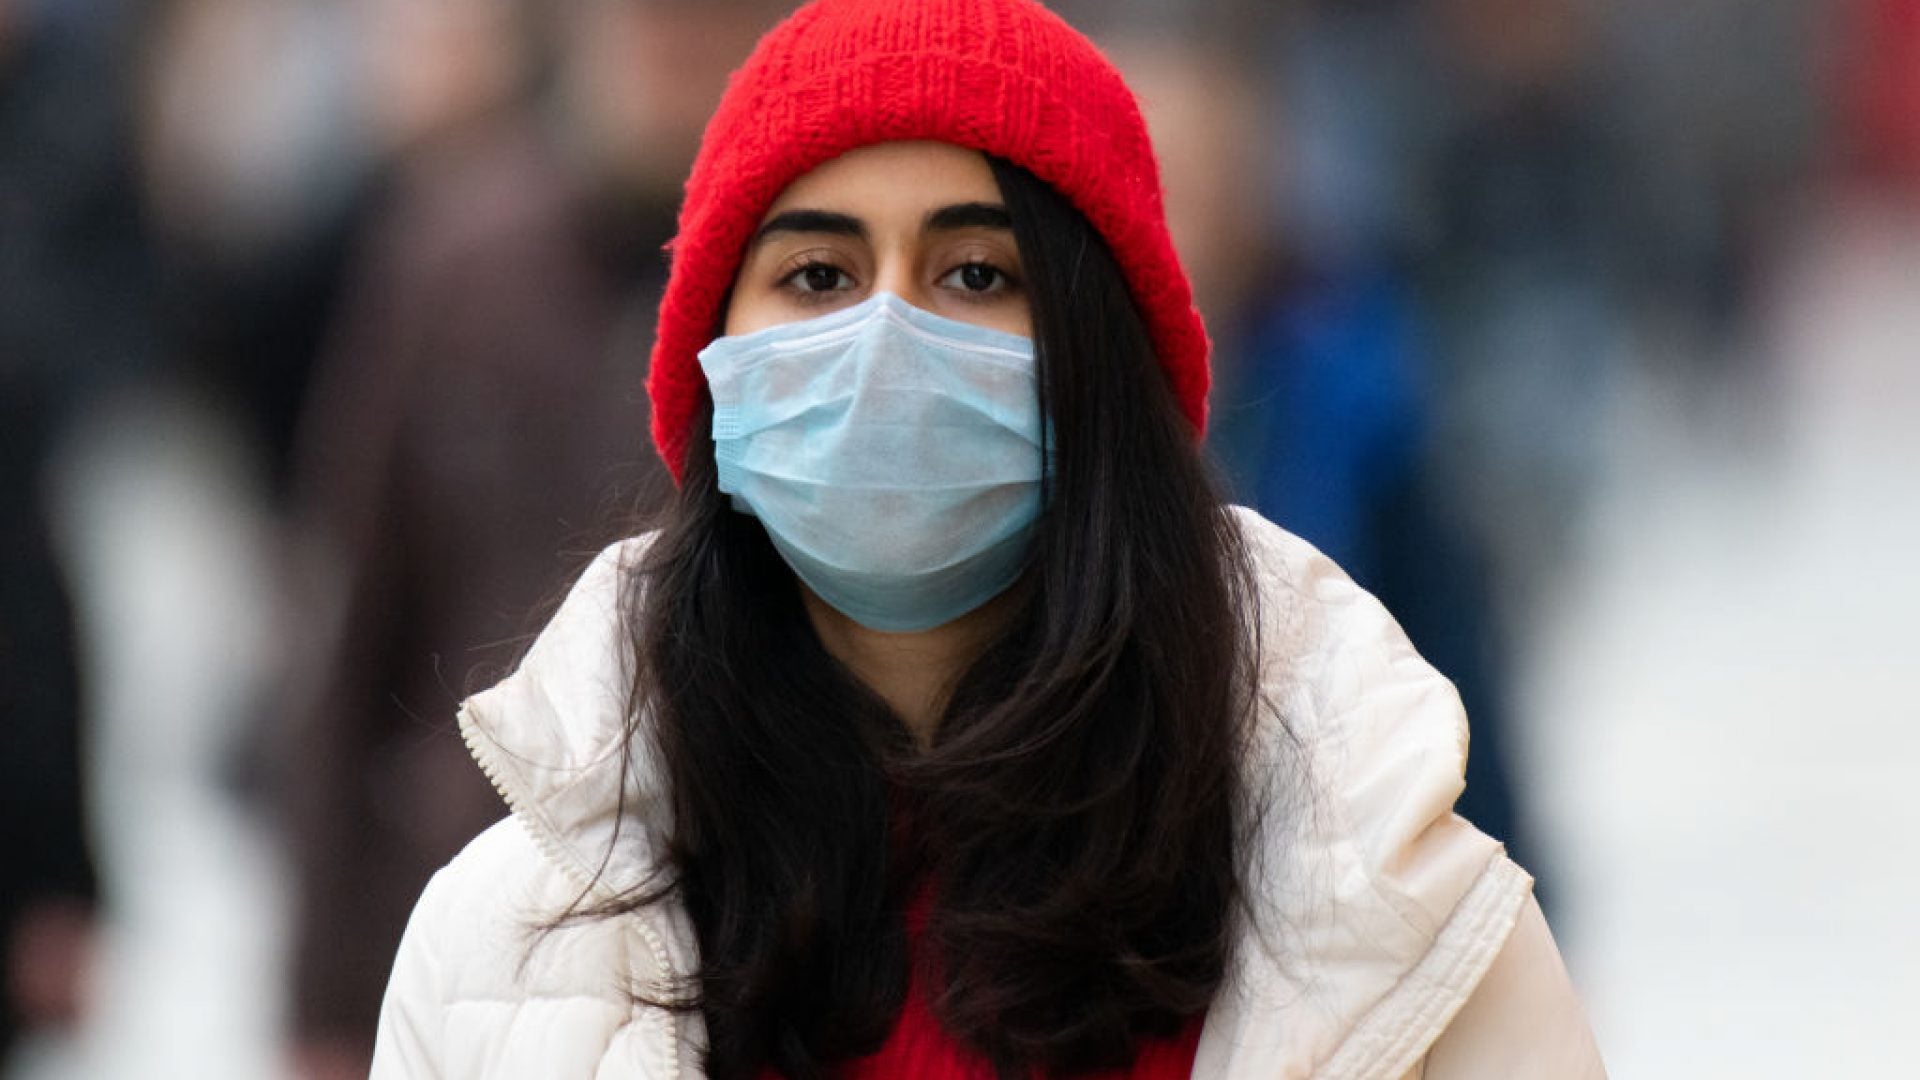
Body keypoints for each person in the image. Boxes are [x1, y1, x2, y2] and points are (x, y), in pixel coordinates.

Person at [370, 0, 1607, 1076]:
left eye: (975, 274)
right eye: (816, 276)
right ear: (716, 368)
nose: (884, 341)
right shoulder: (506, 952)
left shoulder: (1390, 909)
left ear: (1099, 359)